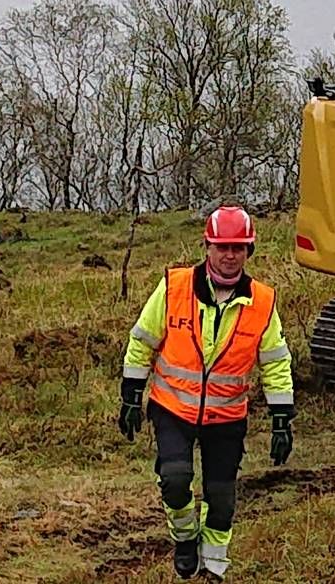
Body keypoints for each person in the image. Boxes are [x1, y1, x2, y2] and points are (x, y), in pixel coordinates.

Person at [118, 205, 295, 580]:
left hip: (227, 418)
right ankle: (184, 538)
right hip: (171, 409)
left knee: (222, 500)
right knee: (176, 478)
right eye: (222, 247)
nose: (229, 256)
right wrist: (131, 395)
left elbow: (276, 363)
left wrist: (282, 419)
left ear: (249, 251)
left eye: (238, 248)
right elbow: (142, 341)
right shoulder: (174, 286)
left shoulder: (262, 303)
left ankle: (214, 565)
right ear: (207, 247)